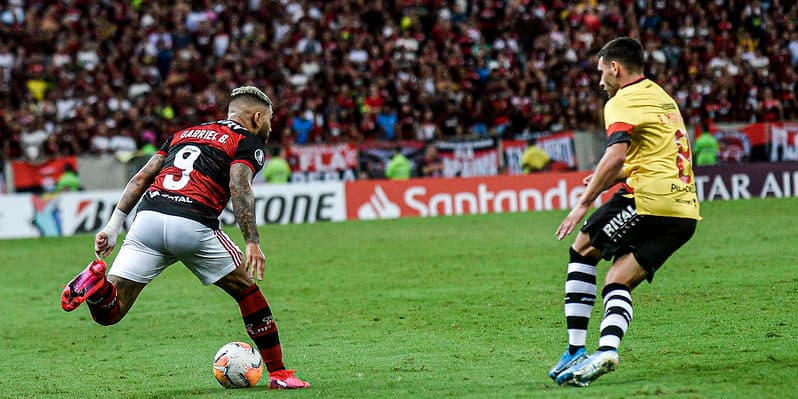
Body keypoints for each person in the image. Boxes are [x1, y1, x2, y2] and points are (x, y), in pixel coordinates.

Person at [59, 86, 310, 389]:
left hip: (147, 220)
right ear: (257, 117)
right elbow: (240, 187)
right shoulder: (248, 141)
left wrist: (112, 227)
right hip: (192, 224)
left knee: (110, 312)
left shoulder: (184, 133)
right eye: (269, 120)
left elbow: (141, 178)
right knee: (246, 290)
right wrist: (252, 241)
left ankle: (97, 286)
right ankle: (280, 375)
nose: (269, 127)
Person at [548, 37, 701, 387]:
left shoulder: (622, 101)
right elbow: (645, 159)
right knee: (618, 279)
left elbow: (616, 155)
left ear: (615, 68)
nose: (601, 80)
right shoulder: (663, 98)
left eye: (602, 72)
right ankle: (607, 350)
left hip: (648, 200)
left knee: (583, 248)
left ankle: (574, 350)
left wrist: (584, 201)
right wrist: (602, 181)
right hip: (685, 210)